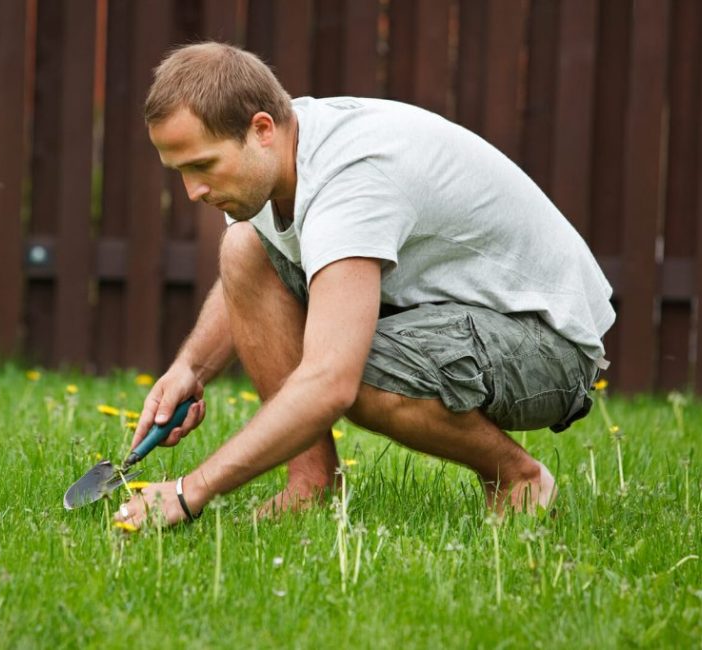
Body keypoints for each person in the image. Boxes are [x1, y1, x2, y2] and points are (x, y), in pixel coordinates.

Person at [114, 42, 614, 529]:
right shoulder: (281, 156)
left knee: (360, 373)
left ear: (261, 129)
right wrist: (190, 369)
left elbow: (330, 381)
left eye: (202, 165)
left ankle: (519, 479)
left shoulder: (351, 182)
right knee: (244, 248)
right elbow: (252, 273)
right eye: (180, 171)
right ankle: (311, 485)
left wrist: (188, 492)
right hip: (448, 311)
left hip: (548, 344)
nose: (193, 191)